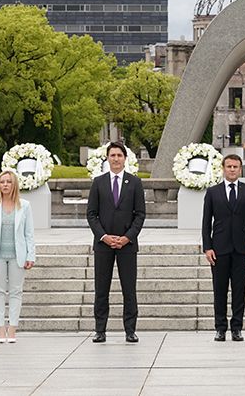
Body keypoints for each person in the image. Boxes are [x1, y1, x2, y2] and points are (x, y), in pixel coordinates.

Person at [86, 142, 146, 343]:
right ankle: (100, 330)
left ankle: (130, 330)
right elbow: (91, 214)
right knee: (101, 289)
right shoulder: (98, 182)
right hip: (103, 245)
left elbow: (140, 214)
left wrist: (127, 237)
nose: (116, 159)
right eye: (112, 155)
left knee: (129, 289)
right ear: (107, 158)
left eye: (119, 155)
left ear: (125, 158)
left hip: (127, 245)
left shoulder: (135, 183)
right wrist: (104, 236)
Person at [202, 154, 245, 342]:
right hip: (219, 249)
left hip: (242, 249)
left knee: (239, 290)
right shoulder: (213, 192)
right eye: (229, 166)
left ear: (240, 169)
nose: (232, 169)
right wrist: (207, 247)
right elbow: (206, 222)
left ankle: (237, 327)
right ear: (223, 168)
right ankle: (220, 328)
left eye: (236, 167)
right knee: (219, 290)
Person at [0, 170, 36, 343]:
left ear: (14, 185)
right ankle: (0, 330)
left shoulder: (25, 206)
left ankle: (12, 330)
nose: (5, 185)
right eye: (2, 182)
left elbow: (29, 233)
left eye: (8, 182)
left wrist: (30, 255)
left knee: (15, 292)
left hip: (17, 255)